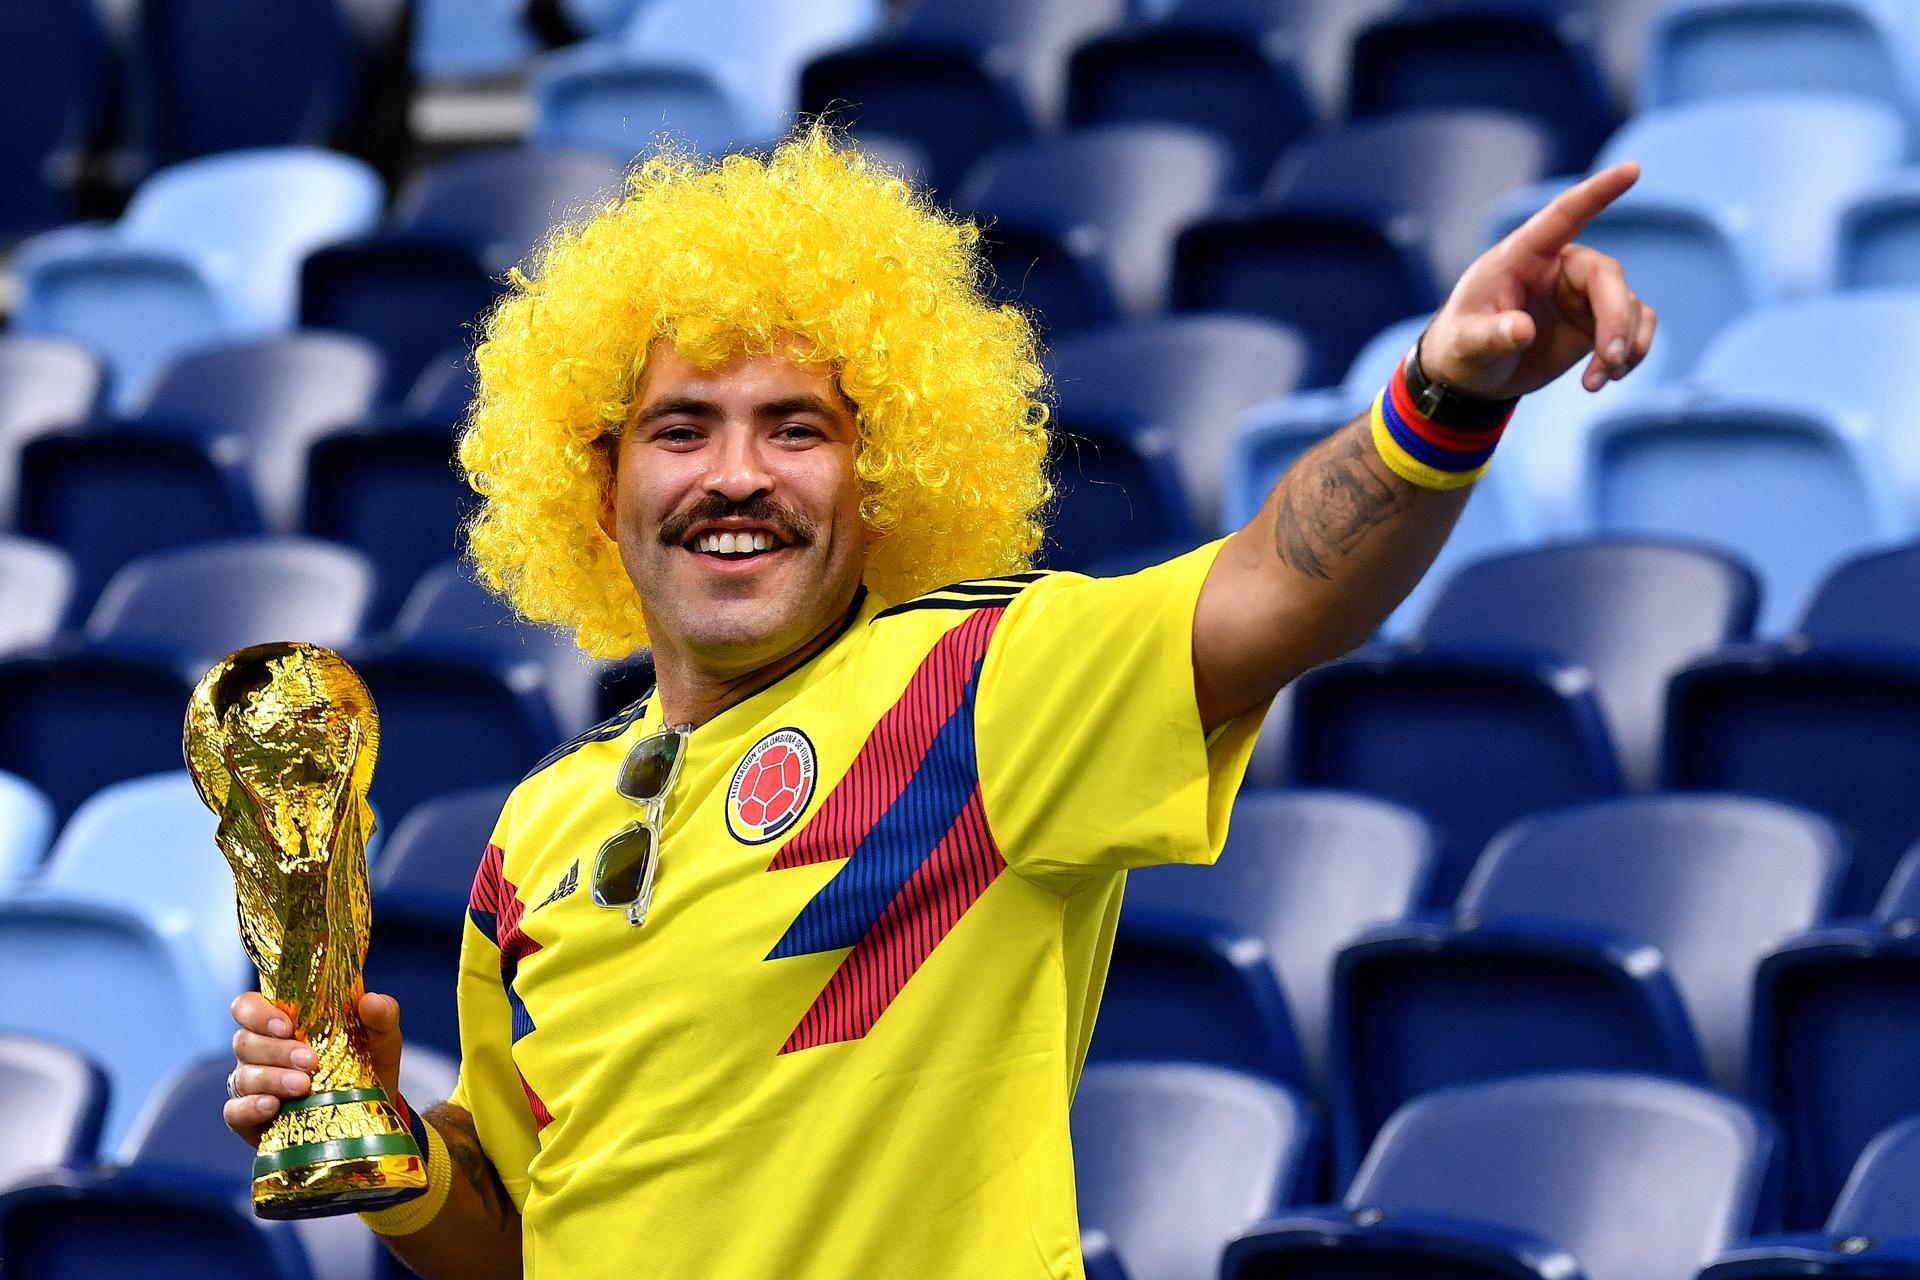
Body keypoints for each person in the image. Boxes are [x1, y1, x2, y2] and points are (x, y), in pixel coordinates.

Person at [224, 125, 1655, 1279]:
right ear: (599, 488)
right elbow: (532, 1233)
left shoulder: (982, 690)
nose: (735, 476)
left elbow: (1278, 590)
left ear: (882, 476)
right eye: (680, 430)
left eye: (799, 428)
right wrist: (390, 1152)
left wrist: (1445, 397)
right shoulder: (534, 836)